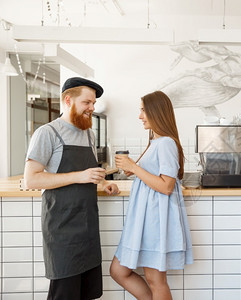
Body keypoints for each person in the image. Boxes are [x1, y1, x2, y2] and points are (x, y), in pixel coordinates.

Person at [24, 77, 120, 300]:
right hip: (62, 230)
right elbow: (32, 180)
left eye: (93, 103)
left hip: (87, 229)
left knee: (87, 294)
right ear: (68, 100)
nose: (92, 108)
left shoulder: (89, 134)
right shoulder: (47, 133)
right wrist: (81, 175)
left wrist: (105, 183)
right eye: (87, 102)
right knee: (64, 295)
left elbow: (90, 173)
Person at [110, 91, 193, 300]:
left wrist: (135, 169)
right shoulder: (156, 142)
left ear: (157, 112)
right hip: (145, 220)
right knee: (118, 271)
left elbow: (166, 186)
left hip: (155, 220)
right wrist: (134, 168)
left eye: (143, 110)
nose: (140, 116)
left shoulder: (166, 143)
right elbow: (153, 175)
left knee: (156, 281)